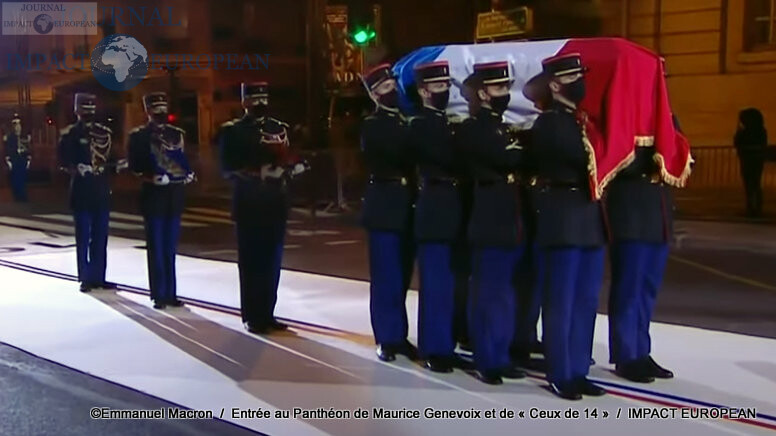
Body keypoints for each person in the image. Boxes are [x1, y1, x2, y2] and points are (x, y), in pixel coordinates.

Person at [524, 53, 607, 400]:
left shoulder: (581, 121)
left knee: (585, 299)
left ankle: (578, 368)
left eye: (580, 77)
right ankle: (560, 371)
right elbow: (573, 157)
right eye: (572, 79)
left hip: (588, 214)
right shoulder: (550, 123)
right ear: (556, 85)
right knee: (561, 299)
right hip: (562, 212)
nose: (579, 84)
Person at [219, 81, 308, 334]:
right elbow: (227, 168)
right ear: (244, 102)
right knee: (251, 262)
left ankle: (268, 313)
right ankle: (253, 315)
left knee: (272, 262)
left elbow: (289, 155)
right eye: (254, 100)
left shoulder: (278, 128)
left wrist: (294, 167)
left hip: (275, 202)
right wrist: (260, 172)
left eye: (263, 99)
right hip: (249, 203)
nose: (259, 104)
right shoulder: (233, 131)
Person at [458, 61, 526, 385]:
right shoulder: (474, 128)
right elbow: (504, 159)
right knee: (488, 292)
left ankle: (500, 354)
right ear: (483, 93)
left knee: (504, 293)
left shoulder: (500, 126)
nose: (505, 94)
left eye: (506, 88)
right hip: (488, 215)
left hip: (507, 216)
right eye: (499, 89)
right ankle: (486, 357)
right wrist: (518, 154)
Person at [410, 61, 467, 372]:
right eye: (439, 86)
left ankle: (446, 341)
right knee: (435, 281)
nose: (445, 91)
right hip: (435, 204)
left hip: (453, 204)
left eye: (447, 85)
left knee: (451, 281)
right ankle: (434, 347)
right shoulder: (420, 125)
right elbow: (444, 157)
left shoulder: (448, 123)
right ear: (423, 91)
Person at [360, 63, 417, 362]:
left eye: (393, 85)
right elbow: (391, 155)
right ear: (374, 95)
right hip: (384, 203)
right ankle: (385, 337)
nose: (391, 91)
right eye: (384, 88)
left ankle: (400, 334)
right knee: (385, 276)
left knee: (403, 275)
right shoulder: (374, 125)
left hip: (407, 202)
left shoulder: (406, 120)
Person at [128, 92, 195, 310]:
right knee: (156, 246)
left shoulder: (177, 134)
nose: (160, 112)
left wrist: (188, 173)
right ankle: (159, 294)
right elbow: (134, 166)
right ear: (148, 111)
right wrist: (150, 176)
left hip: (174, 195)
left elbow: (183, 159)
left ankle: (171, 292)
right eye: (155, 108)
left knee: (170, 247)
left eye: (163, 107)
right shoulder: (138, 136)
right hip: (154, 196)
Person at [58, 93, 126, 293]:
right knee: (83, 236)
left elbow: (109, 160)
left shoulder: (104, 133)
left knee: (100, 237)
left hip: (101, 191)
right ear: (77, 111)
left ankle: (99, 276)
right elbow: (62, 161)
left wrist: (118, 166)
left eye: (90, 108)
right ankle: (86, 278)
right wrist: (75, 167)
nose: (87, 112)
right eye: (84, 108)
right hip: (81, 191)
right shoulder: (69, 134)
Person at [734, 108, 768, 218]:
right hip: (757, 160)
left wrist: (738, 130)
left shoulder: (745, 132)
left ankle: (751, 207)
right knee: (756, 184)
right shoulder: (761, 131)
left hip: (747, 160)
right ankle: (757, 207)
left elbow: (737, 142)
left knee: (749, 185)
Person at [3, 114, 31, 202]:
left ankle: (22, 195)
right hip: (14, 159)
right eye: (15, 124)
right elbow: (7, 149)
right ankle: (17, 195)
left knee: (22, 177)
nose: (17, 126)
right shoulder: (9, 137)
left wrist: (28, 159)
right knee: (15, 178)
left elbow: (28, 147)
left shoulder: (24, 136)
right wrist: (8, 160)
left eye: (19, 123)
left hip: (22, 158)